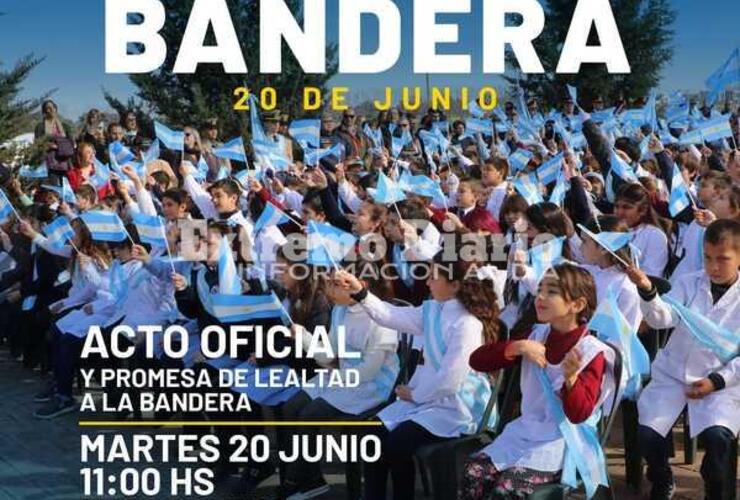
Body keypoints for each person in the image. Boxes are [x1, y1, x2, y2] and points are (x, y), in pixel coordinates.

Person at [334, 252, 500, 500]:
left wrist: (414, 395)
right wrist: (360, 292)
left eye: (433, 276)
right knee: (371, 436)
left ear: (454, 285)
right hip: (428, 398)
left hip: (458, 405)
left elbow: (450, 379)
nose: (428, 282)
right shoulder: (433, 310)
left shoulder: (467, 324)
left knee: (398, 444)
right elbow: (391, 316)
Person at [461, 263, 617, 499]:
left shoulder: (590, 351)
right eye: (540, 289)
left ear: (577, 304)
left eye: (551, 292)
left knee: (508, 488)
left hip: (563, 442)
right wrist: (517, 347)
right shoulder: (535, 334)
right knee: (472, 472)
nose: (540, 297)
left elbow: (578, 414)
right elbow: (477, 361)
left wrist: (571, 379)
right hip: (525, 431)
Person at [625, 219, 740, 500]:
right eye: (707, 258)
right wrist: (646, 290)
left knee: (717, 439)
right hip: (675, 374)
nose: (713, 267)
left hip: (723, 382)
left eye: (722, 260)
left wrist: (715, 381)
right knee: (648, 434)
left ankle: (716, 489)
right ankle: (662, 478)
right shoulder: (689, 283)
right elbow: (662, 318)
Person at [280, 260, 399, 499]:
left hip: (371, 386)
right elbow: (329, 353)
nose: (328, 290)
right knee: (291, 406)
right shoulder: (341, 310)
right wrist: (303, 337)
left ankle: (296, 479)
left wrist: (336, 375)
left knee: (309, 414)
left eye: (336, 285)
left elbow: (368, 371)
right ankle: (310, 478)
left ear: (358, 286)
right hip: (344, 376)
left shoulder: (382, 318)